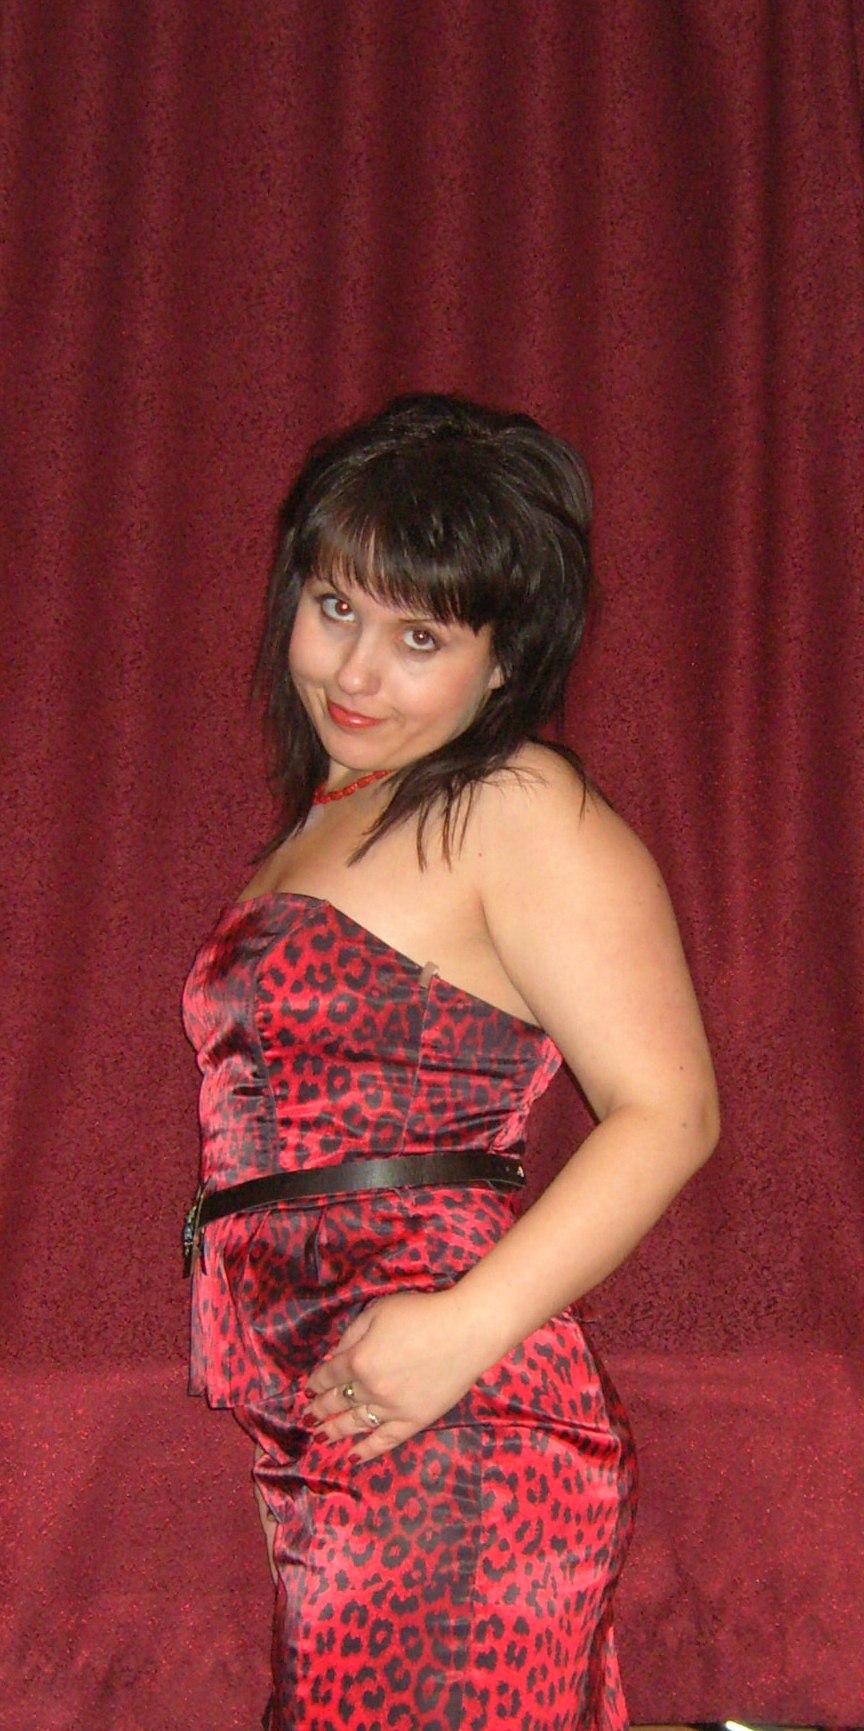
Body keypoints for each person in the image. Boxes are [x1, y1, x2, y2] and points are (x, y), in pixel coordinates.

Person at [182, 393, 719, 1731]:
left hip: (458, 1419)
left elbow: (670, 1111)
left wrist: (460, 1335)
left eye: (419, 636)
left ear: (502, 660)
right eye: (335, 608)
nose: (356, 673)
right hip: (347, 1415)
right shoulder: (335, 812)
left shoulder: (514, 803)